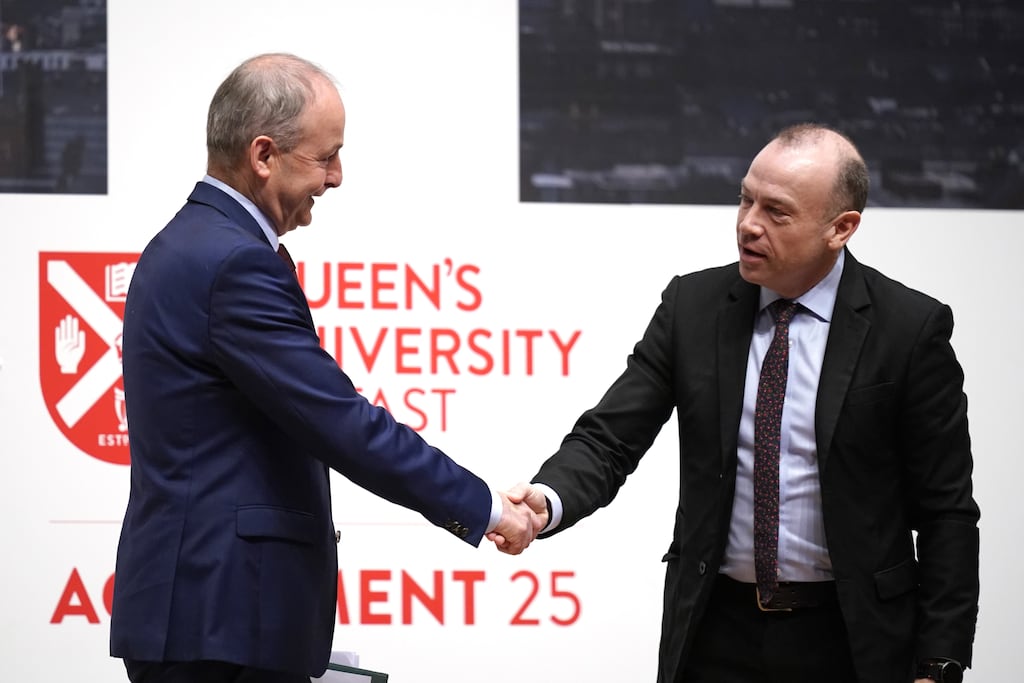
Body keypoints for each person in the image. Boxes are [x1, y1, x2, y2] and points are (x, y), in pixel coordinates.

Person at [110, 53, 546, 683]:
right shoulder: (233, 263)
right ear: (264, 155)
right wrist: (484, 507)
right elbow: (341, 423)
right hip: (220, 622)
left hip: (207, 614)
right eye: (326, 156)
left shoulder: (192, 243)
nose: (337, 176)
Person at [497, 124, 979, 683]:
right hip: (714, 630)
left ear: (840, 229)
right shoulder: (693, 307)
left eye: (777, 211)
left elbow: (946, 511)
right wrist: (546, 501)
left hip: (852, 638)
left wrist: (939, 661)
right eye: (746, 198)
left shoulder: (908, 329)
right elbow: (610, 438)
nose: (748, 224)